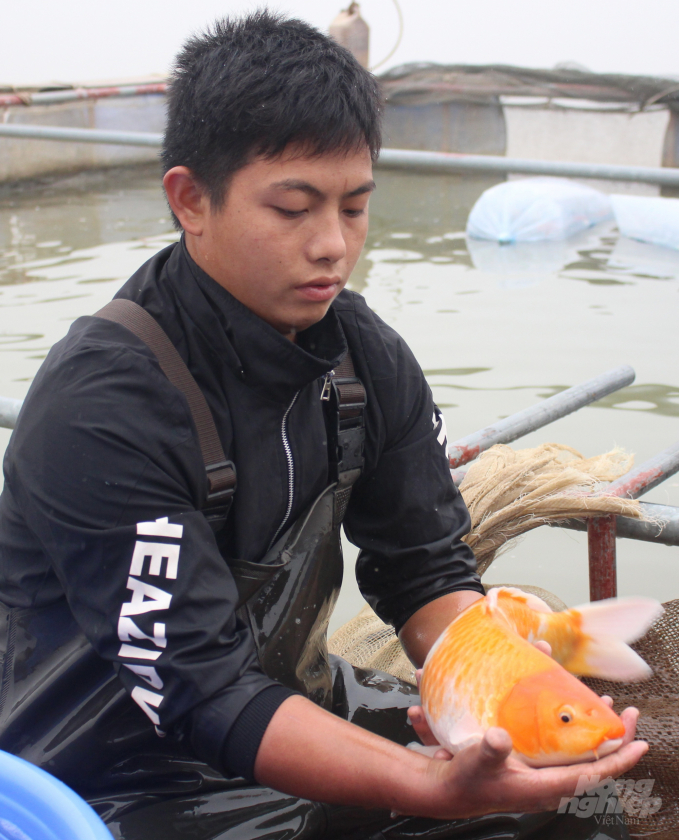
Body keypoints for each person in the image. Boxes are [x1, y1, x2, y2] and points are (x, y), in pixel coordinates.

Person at [0, 11, 644, 839]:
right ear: (190, 199)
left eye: (354, 205)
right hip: (111, 768)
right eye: (294, 208)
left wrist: (494, 696)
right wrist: (425, 785)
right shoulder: (104, 406)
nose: (333, 246)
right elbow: (204, 692)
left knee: (579, 805)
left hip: (294, 697)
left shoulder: (364, 356)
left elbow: (424, 571)